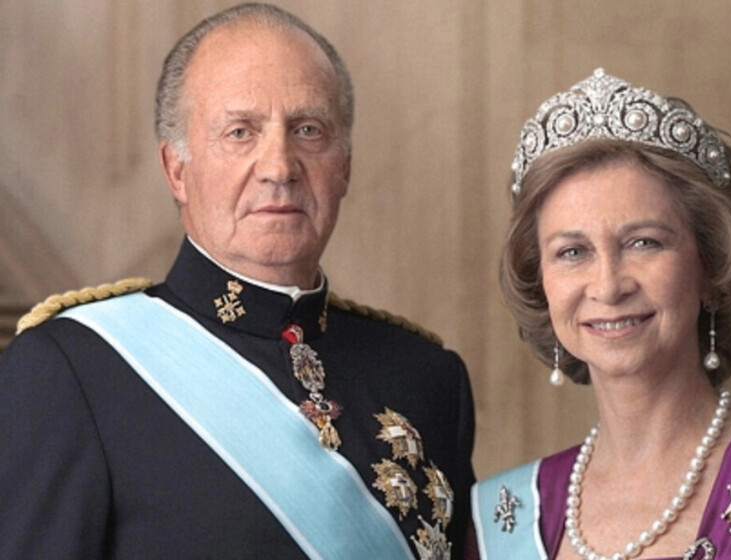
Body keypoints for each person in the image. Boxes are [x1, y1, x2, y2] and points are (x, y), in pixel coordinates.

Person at [0, 4, 475, 559]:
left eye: (308, 130)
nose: (279, 167)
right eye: (240, 132)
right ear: (176, 169)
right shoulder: (74, 370)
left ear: (344, 164)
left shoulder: (425, 377)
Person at [469, 69, 731, 559]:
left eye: (643, 243)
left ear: (710, 264)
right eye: (572, 252)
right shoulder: (503, 512)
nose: (608, 286)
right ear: (541, 282)